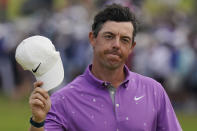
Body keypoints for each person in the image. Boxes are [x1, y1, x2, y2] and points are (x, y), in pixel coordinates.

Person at [29, 4, 182, 131]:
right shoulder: (63, 100)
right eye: (109, 36)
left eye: (124, 40)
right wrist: (37, 122)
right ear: (92, 39)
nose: (116, 45)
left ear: (132, 47)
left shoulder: (154, 91)